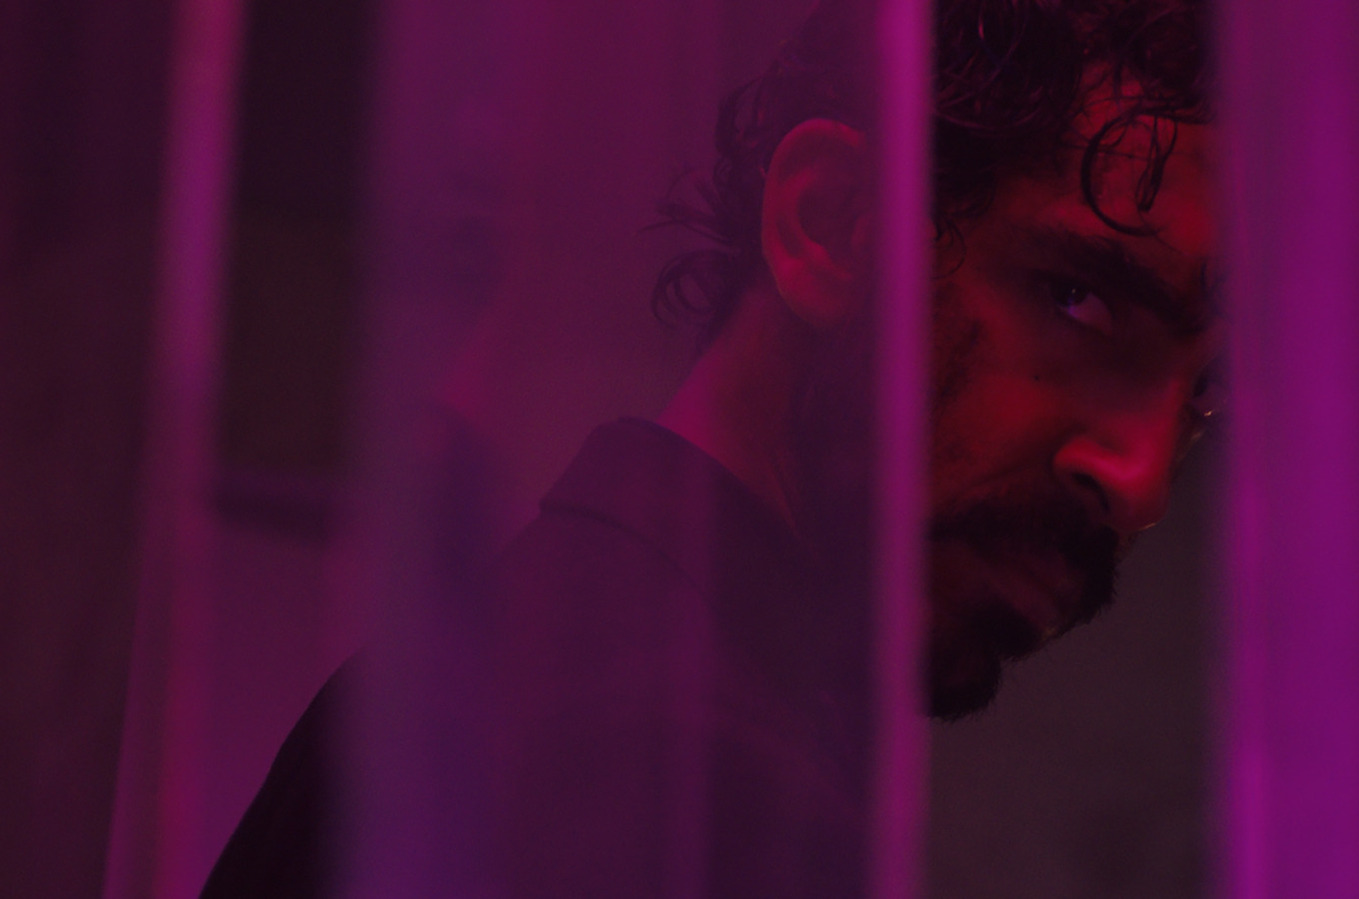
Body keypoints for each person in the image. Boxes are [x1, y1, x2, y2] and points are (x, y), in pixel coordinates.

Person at [201, 0, 1217, 895]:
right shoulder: (679, 773)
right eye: (1080, 300)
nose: (1140, 480)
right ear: (830, 223)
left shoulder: (493, 668)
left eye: (1208, 398)